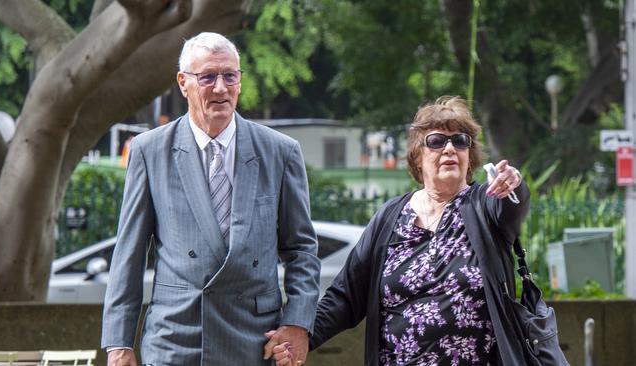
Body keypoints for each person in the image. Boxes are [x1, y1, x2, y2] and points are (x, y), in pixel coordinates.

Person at [101, 32, 320, 366]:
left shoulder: (280, 151)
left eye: (229, 75)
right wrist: (119, 342)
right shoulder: (150, 150)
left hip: (254, 339)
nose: (220, 88)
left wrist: (297, 323)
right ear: (183, 83)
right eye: (207, 77)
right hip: (175, 338)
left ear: (240, 81)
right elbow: (129, 253)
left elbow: (301, 249)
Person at [267, 96, 529, 365]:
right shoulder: (391, 216)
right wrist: (301, 333)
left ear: (469, 154)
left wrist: (513, 183)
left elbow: (512, 208)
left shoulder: (485, 205)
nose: (450, 148)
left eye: (460, 141)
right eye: (437, 141)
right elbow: (346, 296)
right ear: (418, 156)